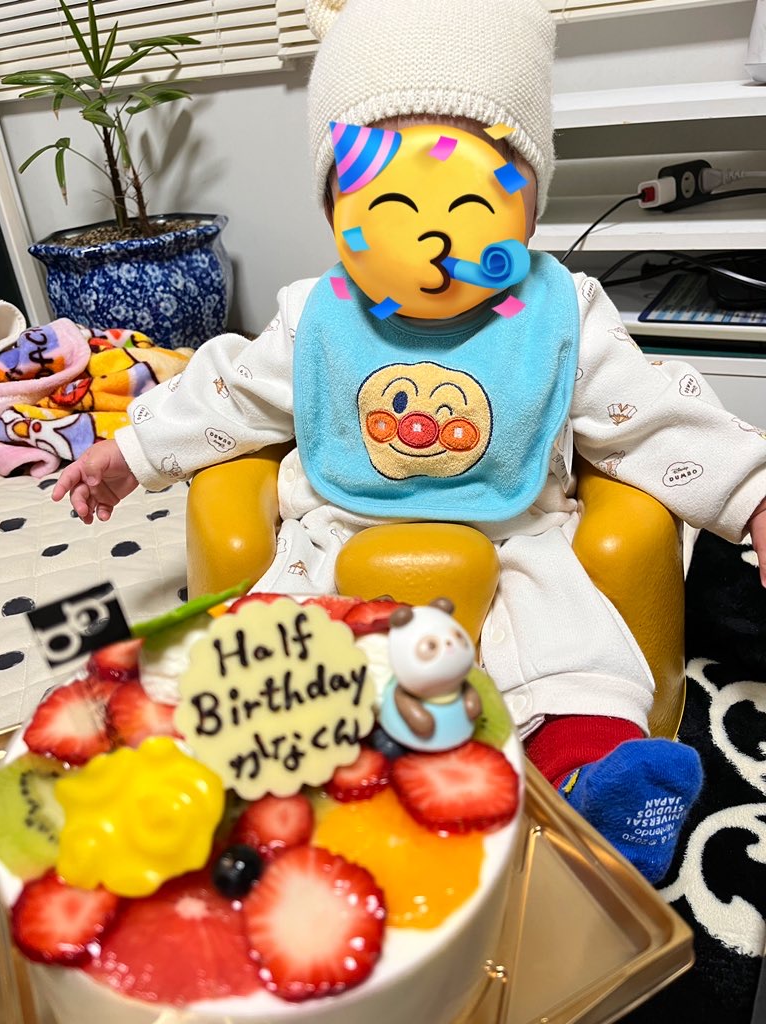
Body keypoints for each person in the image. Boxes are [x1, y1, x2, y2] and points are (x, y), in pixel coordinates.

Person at [52, 0, 766, 884]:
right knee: (263, 660)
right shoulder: (315, 317)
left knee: (573, 656)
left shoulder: (561, 313)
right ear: (334, 207)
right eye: (390, 202)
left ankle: (596, 785)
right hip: (337, 538)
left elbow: (648, 411)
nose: (432, 240)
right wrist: (131, 452)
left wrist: (751, 489)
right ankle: (241, 792)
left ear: (530, 204)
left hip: (518, 542)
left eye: (471, 199)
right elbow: (229, 393)